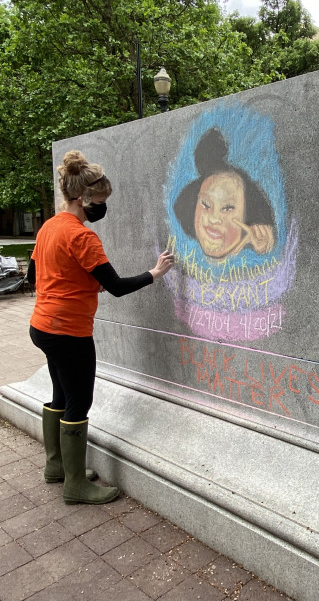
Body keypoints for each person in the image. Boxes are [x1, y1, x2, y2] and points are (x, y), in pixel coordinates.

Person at [28, 150, 174, 505]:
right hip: (69, 331)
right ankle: (75, 485)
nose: (103, 208)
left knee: (61, 395)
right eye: (101, 201)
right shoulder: (82, 237)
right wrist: (156, 272)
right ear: (84, 199)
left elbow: (34, 276)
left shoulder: (49, 226)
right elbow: (117, 286)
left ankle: (56, 467)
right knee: (80, 401)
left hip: (43, 326)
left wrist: (74, 284)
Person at [174, 128, 275, 259]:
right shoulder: (182, 256)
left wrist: (265, 252)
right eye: (205, 205)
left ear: (247, 215)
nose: (214, 219)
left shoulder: (253, 265)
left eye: (227, 208)